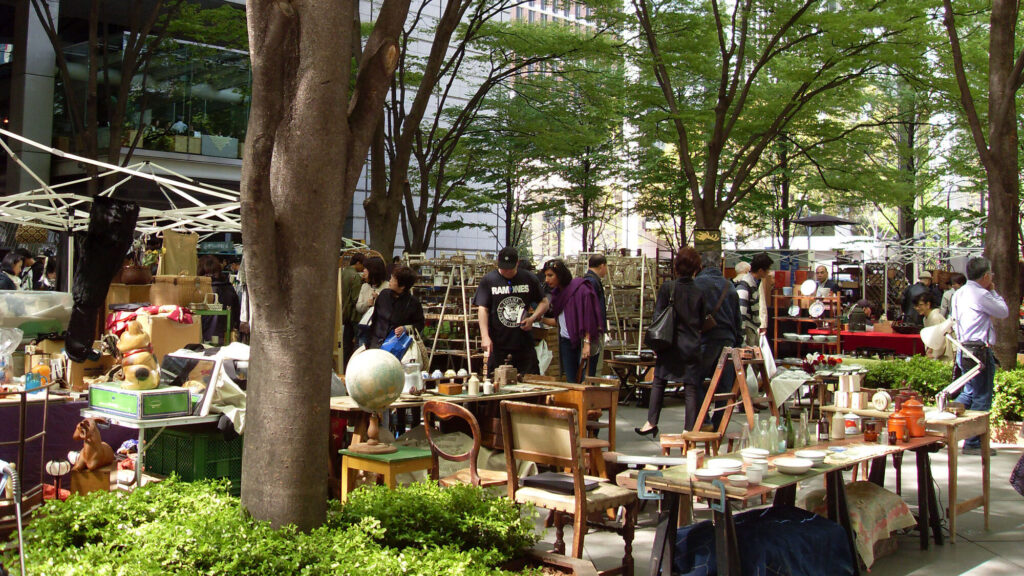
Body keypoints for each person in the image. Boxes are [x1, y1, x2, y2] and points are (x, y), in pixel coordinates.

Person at [636, 247, 708, 437]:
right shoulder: (700, 290)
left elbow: (658, 316)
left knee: (659, 381)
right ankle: (688, 430)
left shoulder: (668, 287)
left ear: (676, 266)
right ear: (696, 268)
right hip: (691, 344)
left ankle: (651, 422)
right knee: (691, 388)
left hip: (669, 344)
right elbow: (702, 321)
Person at [951, 257, 1009, 455]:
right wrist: (993, 290)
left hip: (963, 348)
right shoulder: (982, 294)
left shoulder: (958, 294)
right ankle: (974, 442)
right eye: (990, 275)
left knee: (969, 392)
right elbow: (1003, 312)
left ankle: (947, 419)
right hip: (979, 350)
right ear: (986, 275)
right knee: (982, 394)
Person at [474, 246, 550, 376]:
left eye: (510, 268)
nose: (506, 272)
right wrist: (485, 336)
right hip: (498, 343)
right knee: (496, 381)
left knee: (530, 380)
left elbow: (544, 302)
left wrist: (532, 318)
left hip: (523, 342)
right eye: (503, 268)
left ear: (517, 263)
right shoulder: (489, 280)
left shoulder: (529, 279)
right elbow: (482, 309)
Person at [694, 250, 742, 430]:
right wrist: (738, 342)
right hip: (727, 339)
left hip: (705, 338)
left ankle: (703, 420)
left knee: (695, 379)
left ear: (701, 266)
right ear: (719, 265)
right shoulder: (729, 286)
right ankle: (719, 423)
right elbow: (738, 318)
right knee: (724, 385)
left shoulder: (697, 284)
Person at [539, 259, 603, 383]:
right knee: (571, 381)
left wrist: (587, 343)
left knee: (585, 381)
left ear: (560, 275)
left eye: (550, 275)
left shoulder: (581, 289)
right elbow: (560, 322)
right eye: (546, 276)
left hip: (582, 340)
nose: (547, 279)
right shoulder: (557, 294)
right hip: (566, 342)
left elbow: (589, 318)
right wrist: (539, 319)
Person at [366, 265, 425, 350]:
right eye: (391, 278)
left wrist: (405, 328)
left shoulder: (413, 303)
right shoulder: (383, 295)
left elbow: (420, 324)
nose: (390, 281)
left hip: (397, 346)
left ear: (402, 286)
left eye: (393, 279)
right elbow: (375, 319)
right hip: (376, 343)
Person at [197, 255, 241, 344]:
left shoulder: (201, 290)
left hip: (203, 338)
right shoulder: (228, 288)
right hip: (226, 337)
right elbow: (237, 314)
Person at [734, 253, 773, 347]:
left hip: (752, 330)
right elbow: (741, 314)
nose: (768, 272)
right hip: (747, 332)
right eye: (767, 269)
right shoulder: (745, 286)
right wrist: (742, 340)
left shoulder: (753, 284)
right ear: (760, 270)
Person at [583, 254, 609, 376]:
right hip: (593, 331)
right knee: (593, 368)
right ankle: (593, 392)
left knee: (591, 367)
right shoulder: (592, 281)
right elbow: (590, 309)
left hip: (591, 330)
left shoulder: (588, 280)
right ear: (602, 266)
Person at [339, 253, 366, 366]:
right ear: (358, 263)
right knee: (356, 344)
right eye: (363, 265)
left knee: (345, 343)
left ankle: (343, 366)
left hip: (342, 312)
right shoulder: (355, 277)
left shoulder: (342, 272)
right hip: (353, 315)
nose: (364, 268)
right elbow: (356, 299)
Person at [356, 256, 388, 346]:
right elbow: (358, 307)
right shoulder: (365, 286)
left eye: (366, 268)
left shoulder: (387, 287)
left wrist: (379, 299)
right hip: (365, 328)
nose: (364, 271)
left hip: (381, 331)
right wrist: (367, 304)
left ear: (374, 271)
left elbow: (389, 310)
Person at [914, 292, 953, 360]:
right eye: (916, 306)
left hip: (943, 354)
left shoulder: (935, 317)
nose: (917, 308)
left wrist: (933, 355)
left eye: (920, 305)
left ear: (928, 304)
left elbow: (940, 339)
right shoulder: (926, 318)